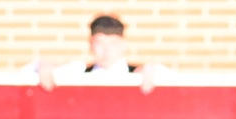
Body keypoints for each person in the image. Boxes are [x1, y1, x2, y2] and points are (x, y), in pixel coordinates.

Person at [30, 16, 163, 94]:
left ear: (124, 44)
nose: (106, 49)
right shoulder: (79, 73)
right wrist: (44, 67)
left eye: (113, 43)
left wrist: (154, 72)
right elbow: (31, 73)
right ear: (91, 44)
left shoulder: (140, 74)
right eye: (100, 43)